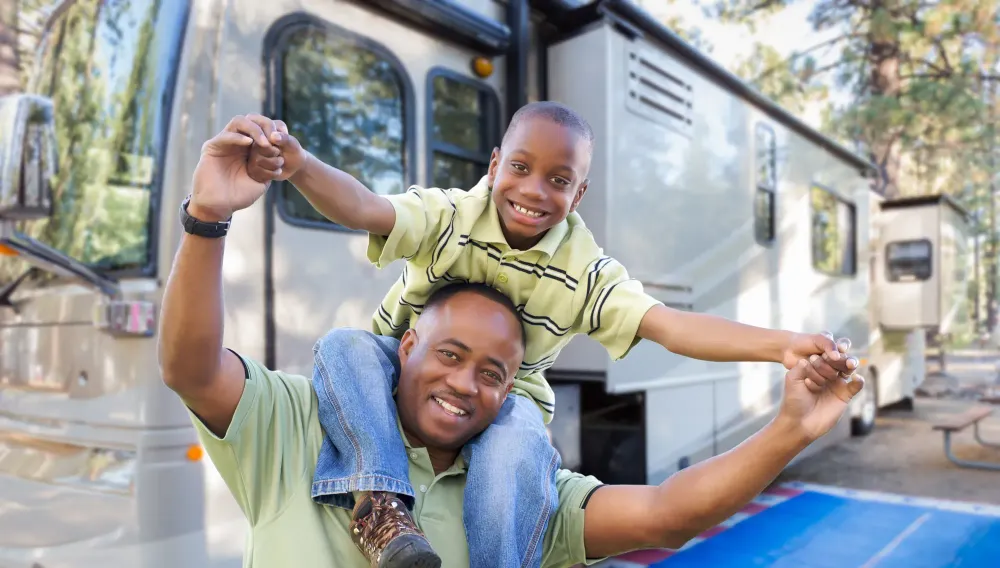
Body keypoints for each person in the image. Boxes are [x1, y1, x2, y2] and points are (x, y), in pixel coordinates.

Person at [158, 116, 866, 568]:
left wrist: (781, 356)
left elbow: (672, 339)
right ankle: (379, 502)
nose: (534, 190)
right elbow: (364, 207)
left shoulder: (581, 280)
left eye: (560, 180)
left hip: (519, 417)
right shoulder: (300, 427)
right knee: (343, 346)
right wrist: (285, 171)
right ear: (494, 165)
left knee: (519, 442)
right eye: (449, 356)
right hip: (371, 376)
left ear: (579, 195)